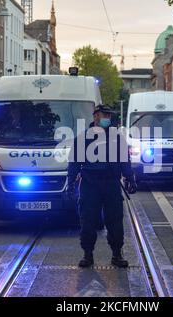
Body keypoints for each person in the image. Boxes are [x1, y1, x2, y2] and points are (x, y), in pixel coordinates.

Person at [67, 105, 137, 268]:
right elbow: (74, 163)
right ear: (96, 117)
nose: (108, 118)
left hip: (111, 183)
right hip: (90, 185)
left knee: (115, 220)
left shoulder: (116, 137)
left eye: (109, 115)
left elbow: (124, 160)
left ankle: (117, 254)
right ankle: (88, 254)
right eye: (105, 115)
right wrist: (70, 183)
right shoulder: (83, 138)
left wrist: (130, 178)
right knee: (88, 220)